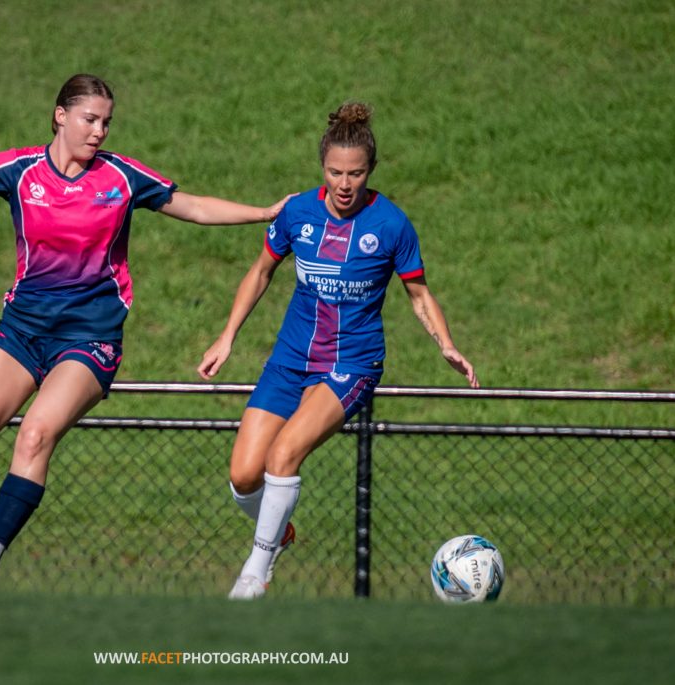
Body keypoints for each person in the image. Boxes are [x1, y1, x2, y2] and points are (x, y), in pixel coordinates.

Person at [0, 73, 289, 590]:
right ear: (61, 116)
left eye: (107, 122)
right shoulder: (19, 168)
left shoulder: (120, 177)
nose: (100, 131)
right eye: (90, 119)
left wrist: (264, 212)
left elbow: (189, 205)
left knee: (35, 435)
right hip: (23, 329)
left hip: (90, 337)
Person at [198, 102, 480, 600]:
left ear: (370, 170)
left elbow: (419, 295)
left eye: (356, 173)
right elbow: (261, 271)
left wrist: (447, 344)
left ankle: (253, 576)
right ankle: (276, 533)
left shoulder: (391, 224)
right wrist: (228, 335)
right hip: (289, 359)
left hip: (351, 363)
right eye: (335, 172)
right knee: (244, 476)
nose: (345, 184)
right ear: (322, 168)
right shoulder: (297, 213)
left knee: (284, 455)